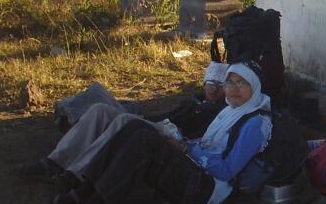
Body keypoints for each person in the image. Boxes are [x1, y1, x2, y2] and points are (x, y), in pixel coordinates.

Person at [53, 61, 273, 204]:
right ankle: (85, 189)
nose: (234, 89)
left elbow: (227, 170)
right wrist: (182, 142)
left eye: (242, 83)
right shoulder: (231, 110)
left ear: (254, 87)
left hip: (207, 190)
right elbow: (208, 144)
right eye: (230, 82)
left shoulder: (255, 122)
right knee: (135, 129)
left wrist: (187, 149)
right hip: (197, 171)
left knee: (144, 141)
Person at [20, 63, 229, 185]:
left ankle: (77, 173)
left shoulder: (220, 112)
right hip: (158, 124)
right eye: (211, 83)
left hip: (172, 139)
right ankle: (55, 161)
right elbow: (168, 115)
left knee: (122, 120)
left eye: (220, 86)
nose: (214, 89)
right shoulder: (194, 101)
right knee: (99, 109)